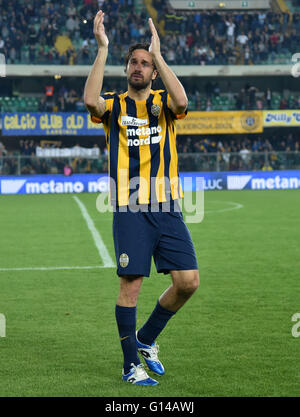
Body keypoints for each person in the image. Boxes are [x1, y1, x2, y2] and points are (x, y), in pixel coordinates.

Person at [84, 10, 199, 386]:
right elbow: (90, 100)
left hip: (167, 205)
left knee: (188, 282)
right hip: (130, 206)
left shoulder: (164, 103)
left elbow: (182, 102)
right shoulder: (115, 105)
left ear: (153, 72)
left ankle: (146, 340)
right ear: (126, 69)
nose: (138, 67)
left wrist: (160, 55)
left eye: (145, 63)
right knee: (131, 284)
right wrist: (102, 48)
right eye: (133, 62)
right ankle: (129, 364)